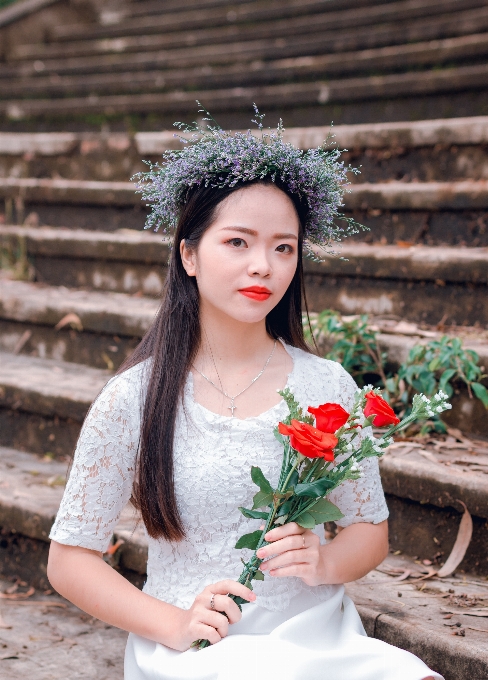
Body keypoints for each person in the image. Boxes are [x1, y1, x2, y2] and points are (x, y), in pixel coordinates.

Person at [47, 113, 442, 680]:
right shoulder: (134, 397)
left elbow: (369, 532)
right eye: (238, 242)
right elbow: (69, 560)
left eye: (284, 247)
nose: (264, 265)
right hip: (197, 648)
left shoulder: (327, 385)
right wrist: (173, 623)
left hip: (315, 638)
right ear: (188, 255)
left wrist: (326, 560)